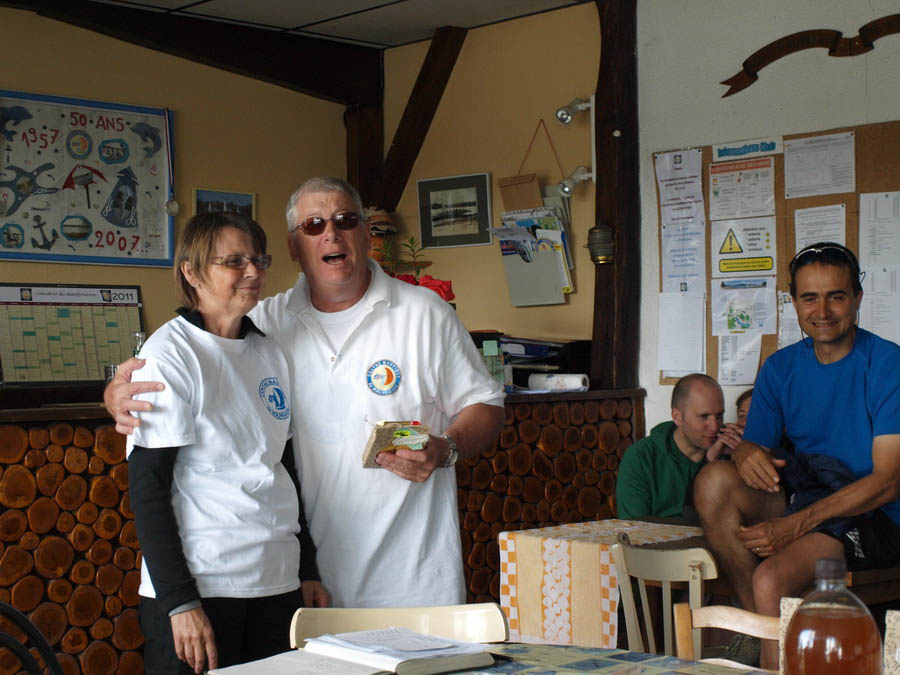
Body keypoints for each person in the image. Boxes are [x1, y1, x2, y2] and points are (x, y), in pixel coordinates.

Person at [108, 177, 506, 609]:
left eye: (345, 220)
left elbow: (485, 404)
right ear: (294, 247)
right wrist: (117, 390)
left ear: (366, 234)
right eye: (313, 225)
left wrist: (445, 448)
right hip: (303, 584)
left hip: (415, 581)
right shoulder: (266, 323)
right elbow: (186, 351)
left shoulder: (424, 313)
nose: (331, 233)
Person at [126, 212, 329, 674]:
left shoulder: (269, 352)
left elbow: (282, 469)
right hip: (203, 587)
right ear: (192, 272)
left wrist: (306, 569)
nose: (253, 272)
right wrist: (179, 602)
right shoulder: (169, 355)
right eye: (234, 262)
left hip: (276, 582)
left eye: (258, 259)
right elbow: (148, 489)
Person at [693, 241, 900, 670]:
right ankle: (759, 627)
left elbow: (888, 481)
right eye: (809, 298)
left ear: (857, 298)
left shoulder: (887, 363)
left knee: (771, 578)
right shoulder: (780, 367)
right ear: (793, 302)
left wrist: (796, 525)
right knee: (714, 481)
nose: (822, 311)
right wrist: (745, 450)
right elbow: (757, 457)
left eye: (836, 296)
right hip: (809, 493)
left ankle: (767, 645)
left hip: (876, 514)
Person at [616, 373, 743, 523]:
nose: (714, 426)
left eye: (719, 416)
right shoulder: (641, 457)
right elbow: (634, 527)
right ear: (677, 417)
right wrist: (709, 465)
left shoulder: (728, 452)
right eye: (704, 417)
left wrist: (738, 458)